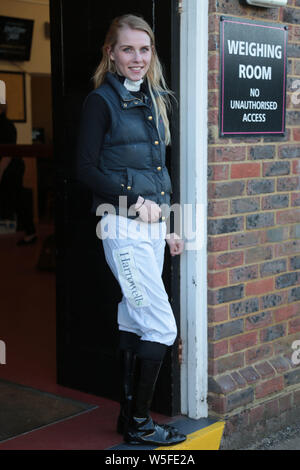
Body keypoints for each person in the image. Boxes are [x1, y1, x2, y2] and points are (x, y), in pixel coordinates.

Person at [77, 14, 186, 446]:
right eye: (127, 49)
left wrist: (168, 226)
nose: (137, 58)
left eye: (144, 49)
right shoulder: (100, 102)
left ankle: (128, 417)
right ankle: (141, 423)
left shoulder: (155, 100)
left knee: (133, 316)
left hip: (150, 230)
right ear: (111, 53)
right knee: (161, 327)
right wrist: (135, 203)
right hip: (123, 230)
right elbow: (84, 169)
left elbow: (157, 171)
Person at [0, 104, 37, 245]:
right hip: (8, 169)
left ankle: (30, 232)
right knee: (17, 200)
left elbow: (7, 155)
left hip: (11, 170)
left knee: (18, 200)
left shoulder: (6, 126)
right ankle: (30, 232)